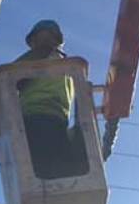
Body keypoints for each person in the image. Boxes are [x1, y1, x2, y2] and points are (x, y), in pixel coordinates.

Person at [15, 20, 88, 179]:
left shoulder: (43, 56)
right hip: (50, 120)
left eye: (38, 38)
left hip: (38, 119)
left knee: (43, 170)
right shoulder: (67, 66)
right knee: (60, 169)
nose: (35, 43)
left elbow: (15, 76)